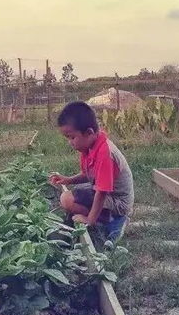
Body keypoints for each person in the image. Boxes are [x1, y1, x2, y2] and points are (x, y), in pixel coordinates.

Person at [49, 101, 134, 243]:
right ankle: (106, 217)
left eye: (72, 137)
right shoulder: (88, 147)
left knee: (67, 199)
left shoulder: (105, 153)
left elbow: (102, 192)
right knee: (72, 195)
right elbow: (87, 175)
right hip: (110, 195)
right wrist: (68, 180)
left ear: (89, 132)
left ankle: (114, 220)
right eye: (67, 138)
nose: (70, 142)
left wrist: (89, 220)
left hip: (119, 202)